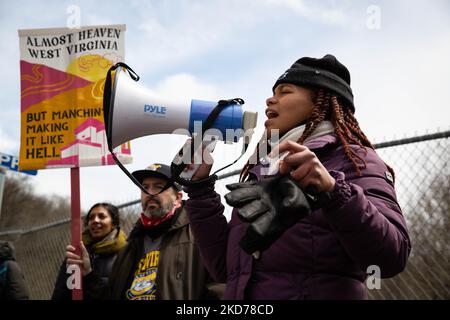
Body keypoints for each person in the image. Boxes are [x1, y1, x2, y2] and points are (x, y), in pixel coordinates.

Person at [183, 54, 412, 299]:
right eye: (273, 92)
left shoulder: (355, 160)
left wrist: (334, 193)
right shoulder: (260, 169)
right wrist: (200, 189)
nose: (271, 99)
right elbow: (225, 270)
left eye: (285, 92)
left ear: (320, 102)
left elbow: (390, 258)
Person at [70, 163, 224, 300]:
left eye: (158, 186)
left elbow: (221, 289)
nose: (150, 192)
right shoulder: (129, 248)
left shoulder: (200, 236)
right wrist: (89, 275)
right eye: (145, 187)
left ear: (177, 198)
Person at [52, 202, 126, 300]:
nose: (95, 221)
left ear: (113, 224)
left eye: (101, 216)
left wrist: (89, 276)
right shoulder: (77, 253)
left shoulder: (125, 254)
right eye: (91, 218)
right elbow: (61, 290)